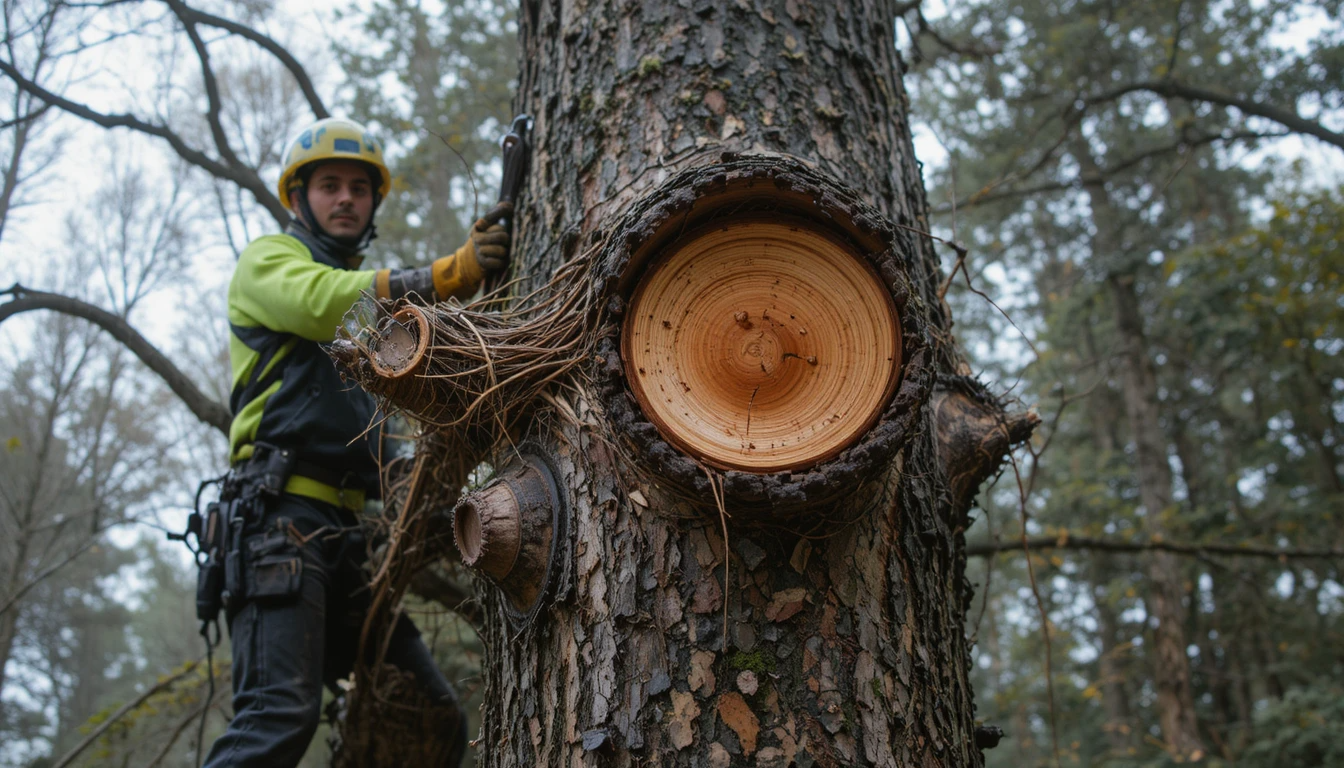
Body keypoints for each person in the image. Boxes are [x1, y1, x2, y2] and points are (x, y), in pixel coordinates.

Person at [203, 117, 508, 767]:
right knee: (277, 716)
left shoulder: (369, 324)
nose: (345, 198)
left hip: (348, 541)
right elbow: (322, 302)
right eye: (329, 186)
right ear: (298, 198)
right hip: (278, 526)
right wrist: (443, 275)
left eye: (358, 189)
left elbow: (379, 444)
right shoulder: (269, 264)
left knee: (431, 718)